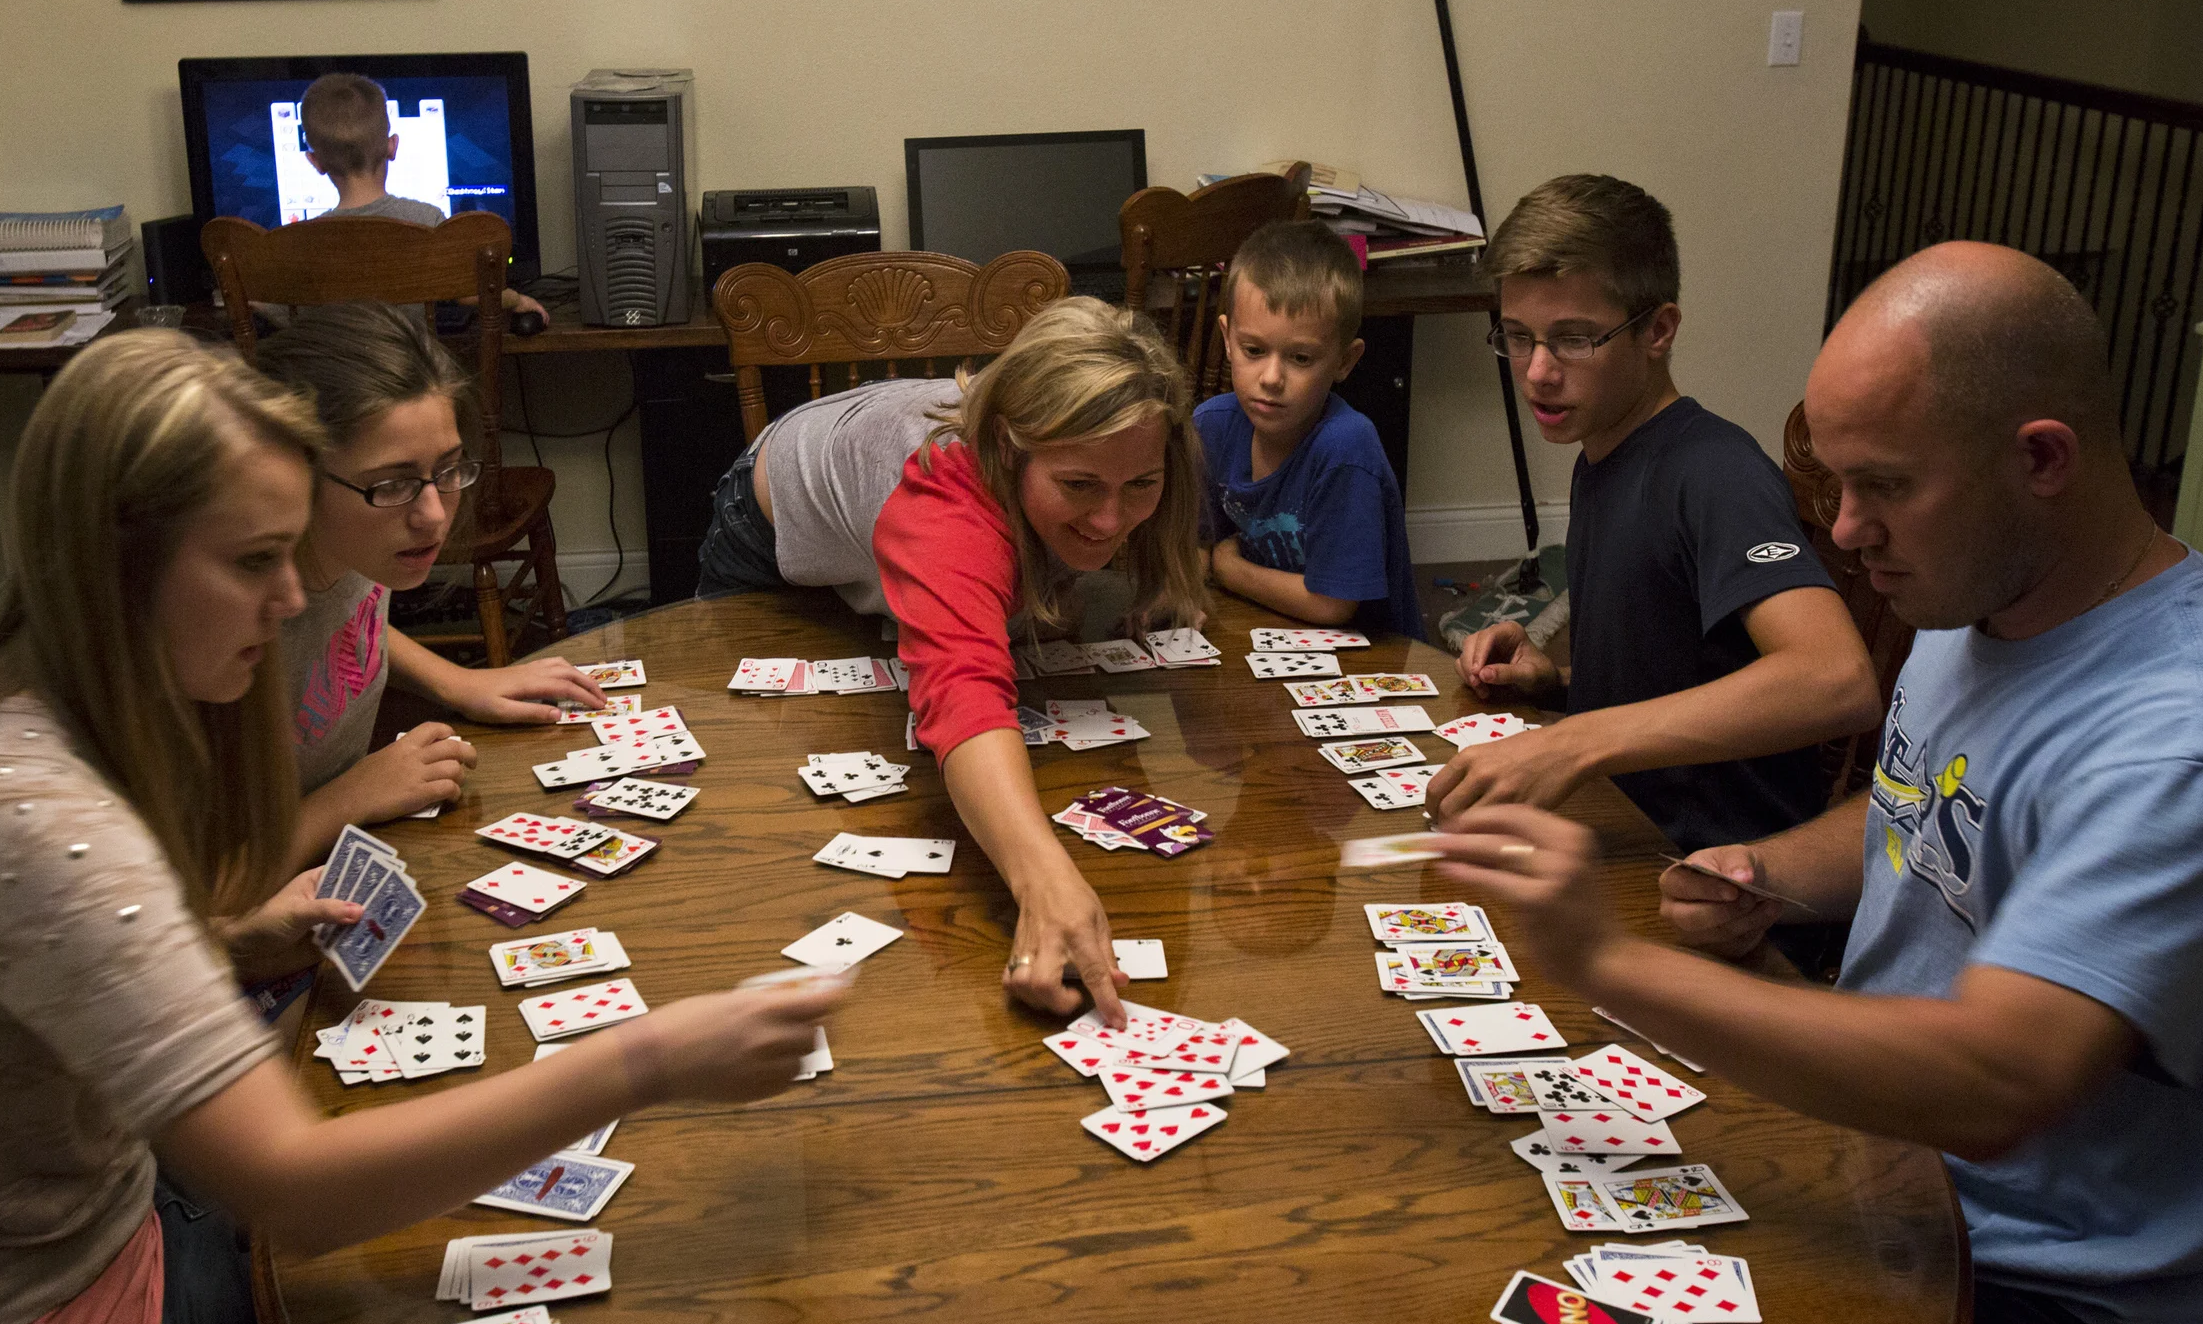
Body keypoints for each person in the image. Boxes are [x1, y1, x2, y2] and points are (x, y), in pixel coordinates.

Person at [0, 329, 843, 1324]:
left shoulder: (51, 704)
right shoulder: (24, 816)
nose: (298, 597)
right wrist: (650, 1058)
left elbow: (63, 967)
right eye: (255, 560)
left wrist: (218, 939)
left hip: (117, 1231)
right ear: (119, 562)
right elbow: (301, 1192)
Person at [1432, 243, 2203, 1324]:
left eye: (1886, 487)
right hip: (1882, 1165)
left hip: (2059, 1303)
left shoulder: (2182, 740)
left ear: (2040, 458)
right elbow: (1918, 817)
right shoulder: (1979, 596)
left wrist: (1602, 957)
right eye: (1836, 483)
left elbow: (1994, 1079)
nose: (1844, 532)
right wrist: (1765, 868)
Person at [693, 298, 1208, 1024]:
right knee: (760, 802)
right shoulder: (946, 496)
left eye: (1140, 487)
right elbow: (962, 691)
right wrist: (1044, 880)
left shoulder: (1124, 456)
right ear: (1007, 447)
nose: (1108, 521)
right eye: (1080, 485)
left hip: (888, 490)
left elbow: (1110, 506)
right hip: (769, 530)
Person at [1428, 174, 1877, 852]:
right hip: (1618, 831)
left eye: (1573, 338)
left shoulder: (1716, 472)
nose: (1538, 371)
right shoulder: (1599, 457)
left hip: (1721, 886)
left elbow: (1836, 679)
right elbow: (1686, 671)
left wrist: (1576, 740)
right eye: (1518, 336)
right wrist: (1558, 686)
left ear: (1658, 329)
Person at [256, 304, 606, 862]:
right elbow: (197, 887)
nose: (434, 516)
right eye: (391, 484)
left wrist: (455, 682)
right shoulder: (238, 622)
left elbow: (351, 623)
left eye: (448, 469)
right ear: (294, 475)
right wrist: (346, 799)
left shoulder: (360, 548)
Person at [1196, 217, 1424, 641]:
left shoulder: (1345, 448)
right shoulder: (1210, 426)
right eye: (1253, 350)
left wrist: (1229, 569)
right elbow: (1196, 547)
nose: (1271, 377)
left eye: (1301, 358)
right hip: (1260, 636)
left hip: (1371, 665)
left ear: (1345, 361)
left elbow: (1331, 604)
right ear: (1227, 339)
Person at [296, 73, 548, 327]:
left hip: (328, 366)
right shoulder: (427, 221)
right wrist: (517, 300)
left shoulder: (298, 240)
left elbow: (278, 305)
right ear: (392, 146)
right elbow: (471, 294)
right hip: (408, 365)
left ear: (314, 162)